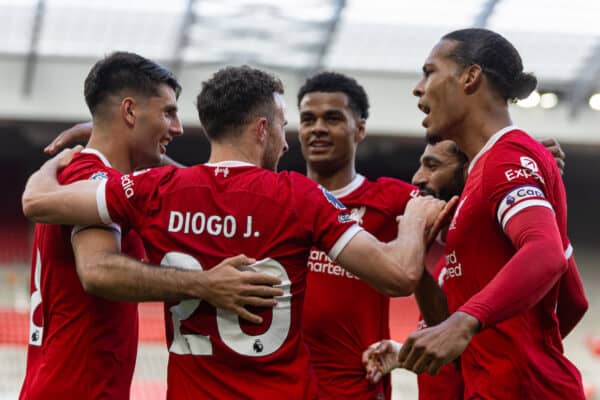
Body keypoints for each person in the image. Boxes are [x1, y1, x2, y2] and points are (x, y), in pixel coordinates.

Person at [21, 65, 448, 399]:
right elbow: (399, 275)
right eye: (284, 124)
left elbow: (38, 204)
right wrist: (412, 220)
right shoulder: (299, 196)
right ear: (262, 129)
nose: (286, 142)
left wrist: (54, 163)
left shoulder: (160, 191)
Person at [19, 53, 283, 400]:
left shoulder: (82, 179)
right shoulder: (93, 178)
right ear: (129, 111)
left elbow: (198, 182)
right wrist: (204, 284)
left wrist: (90, 139)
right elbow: (98, 272)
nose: (178, 127)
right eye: (168, 113)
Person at [363, 28, 586, 399]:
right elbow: (572, 300)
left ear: (470, 77)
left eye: (429, 72)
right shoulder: (483, 175)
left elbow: (545, 251)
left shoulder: (507, 157)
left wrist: (465, 324)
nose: (418, 88)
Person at [296, 71, 419, 399]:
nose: (318, 128)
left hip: (356, 388)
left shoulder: (391, 200)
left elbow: (466, 215)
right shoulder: (284, 198)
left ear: (359, 129)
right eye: (308, 119)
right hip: (284, 384)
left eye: (332, 118)